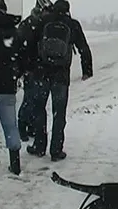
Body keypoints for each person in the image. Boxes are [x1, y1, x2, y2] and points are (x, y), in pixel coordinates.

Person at [27, 0, 93, 161]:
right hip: (61, 76)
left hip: (41, 73)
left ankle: (39, 146)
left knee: (39, 110)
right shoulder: (72, 24)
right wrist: (87, 71)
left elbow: (30, 44)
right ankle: (56, 150)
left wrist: (28, 66)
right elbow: (84, 48)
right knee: (59, 113)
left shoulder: (43, 21)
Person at [17, 3, 52, 142]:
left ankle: (27, 126)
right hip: (33, 68)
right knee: (30, 99)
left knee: (32, 99)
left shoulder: (29, 24)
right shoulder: (36, 25)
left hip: (32, 68)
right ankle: (23, 126)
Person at [0, 0, 25, 175]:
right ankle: (15, 165)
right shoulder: (14, 32)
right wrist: (16, 75)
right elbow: (22, 58)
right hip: (7, 87)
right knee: (10, 127)